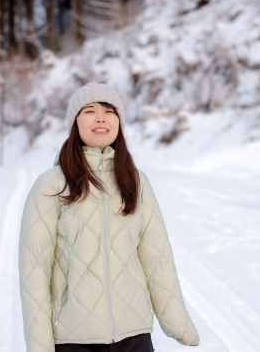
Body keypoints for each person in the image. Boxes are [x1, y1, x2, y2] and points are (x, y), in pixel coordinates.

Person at [19, 83, 200, 352]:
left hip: (135, 334)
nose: (101, 117)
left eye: (109, 111)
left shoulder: (136, 182)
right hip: (74, 338)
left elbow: (157, 258)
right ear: (75, 124)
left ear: (119, 122)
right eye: (89, 110)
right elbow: (33, 271)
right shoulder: (51, 184)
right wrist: (40, 347)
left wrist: (177, 322)